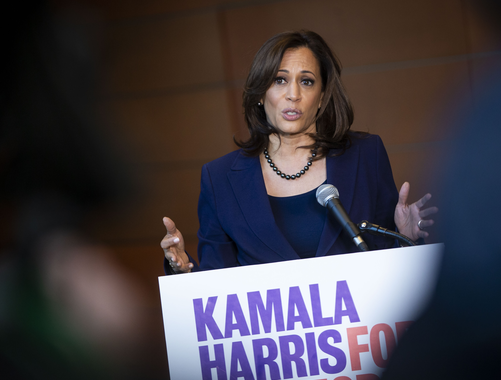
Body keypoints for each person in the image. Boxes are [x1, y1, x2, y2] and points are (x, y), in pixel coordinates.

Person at [161, 30, 437, 273]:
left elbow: (387, 265)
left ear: (321, 97)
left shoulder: (365, 156)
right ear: (260, 94)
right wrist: (183, 271)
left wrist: (407, 240)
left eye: (306, 81)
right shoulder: (219, 179)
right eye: (279, 80)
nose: (293, 94)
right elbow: (217, 285)